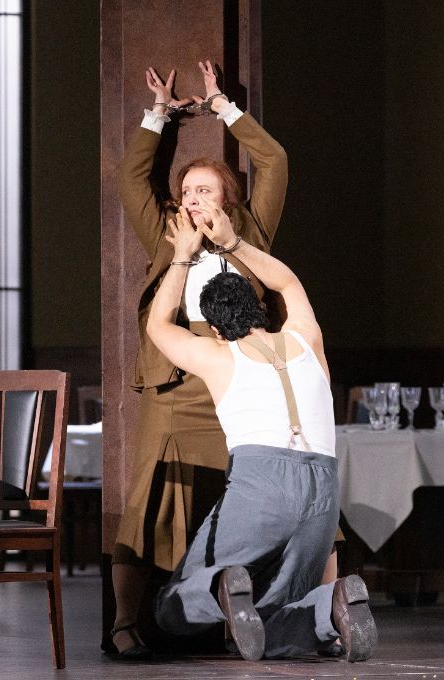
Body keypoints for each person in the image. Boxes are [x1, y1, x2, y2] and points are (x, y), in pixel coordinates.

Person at [108, 60, 288, 658]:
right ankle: (125, 621)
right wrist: (158, 115)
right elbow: (132, 177)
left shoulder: (251, 231)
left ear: (227, 199)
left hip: (239, 382)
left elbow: (275, 161)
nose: (192, 200)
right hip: (175, 382)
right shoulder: (165, 232)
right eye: (186, 193)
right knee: (147, 501)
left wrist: (223, 108)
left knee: (244, 498)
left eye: (204, 191)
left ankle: (243, 616)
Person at [146, 199, 376, 661]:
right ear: (258, 309)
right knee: (270, 611)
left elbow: (157, 324)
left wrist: (184, 254)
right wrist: (231, 241)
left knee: (170, 607)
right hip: (323, 495)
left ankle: (219, 586)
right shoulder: (306, 338)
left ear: (214, 328)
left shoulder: (218, 356)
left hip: (261, 485)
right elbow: (287, 281)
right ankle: (329, 609)